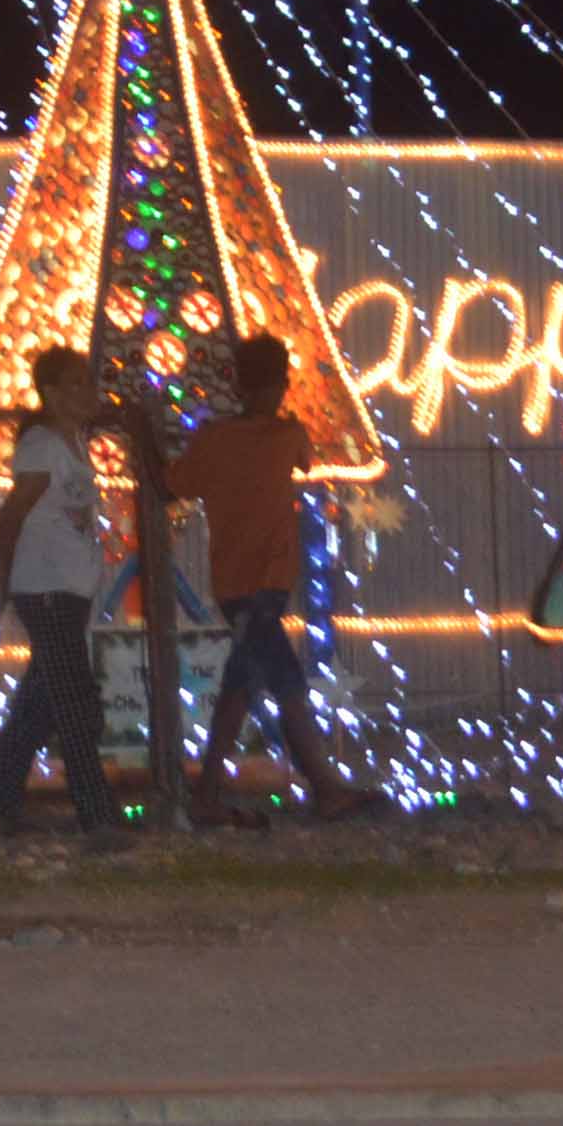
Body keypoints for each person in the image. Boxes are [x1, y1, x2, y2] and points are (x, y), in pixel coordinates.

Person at [177, 330, 347, 816]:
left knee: (245, 683)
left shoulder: (213, 439)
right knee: (282, 680)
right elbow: (304, 459)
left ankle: (209, 793)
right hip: (266, 581)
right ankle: (324, 786)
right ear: (280, 385)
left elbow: (177, 483)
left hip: (235, 581)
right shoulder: (287, 437)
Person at [0, 345, 121, 837]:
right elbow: (13, 511)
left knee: (41, 700)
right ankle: (95, 812)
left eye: (88, 383)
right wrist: (6, 569)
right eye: (75, 384)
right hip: (47, 584)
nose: (87, 394)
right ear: (51, 393)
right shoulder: (41, 446)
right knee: (75, 700)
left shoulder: (74, 445)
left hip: (69, 585)